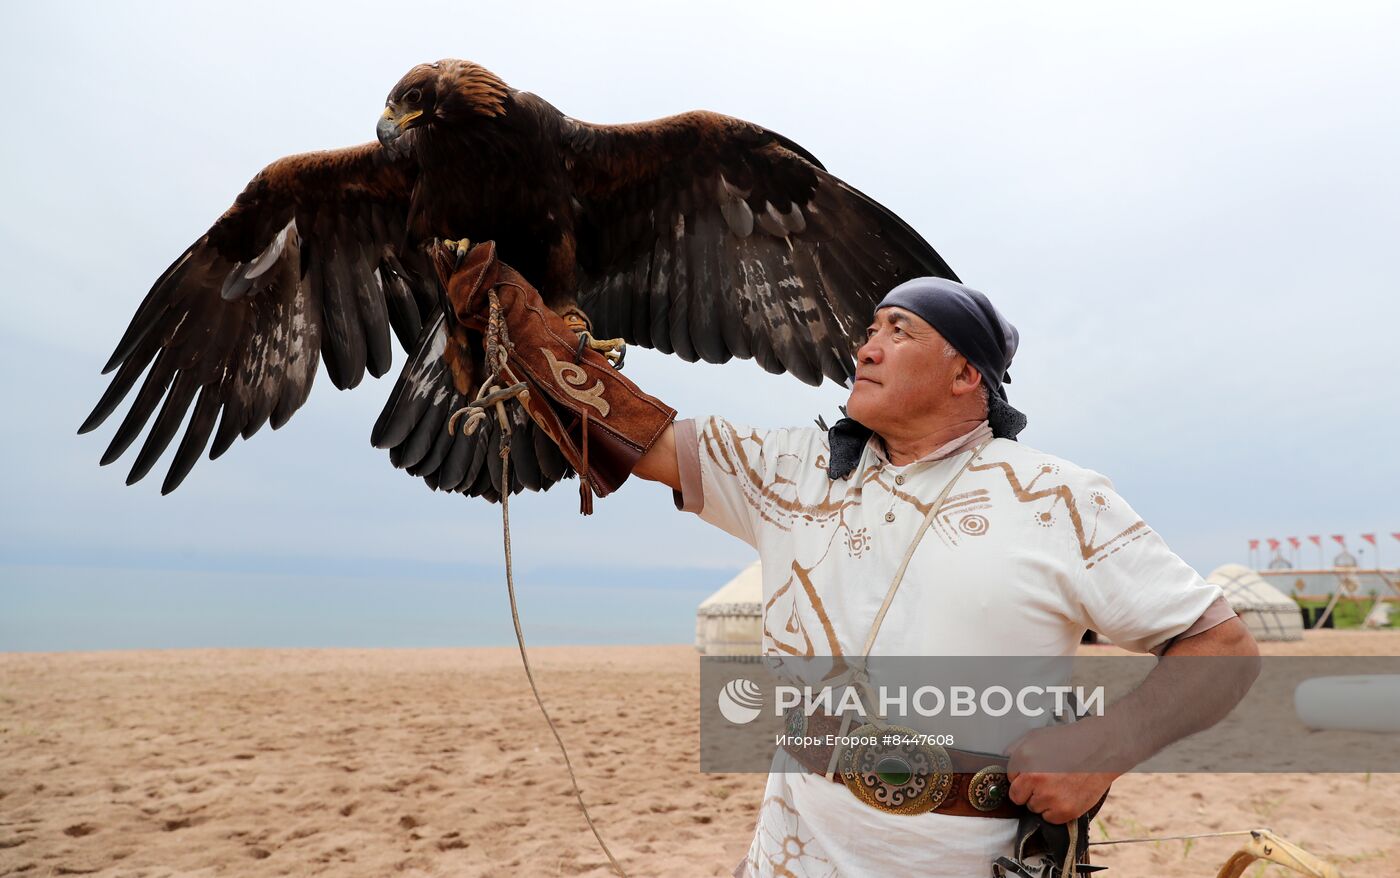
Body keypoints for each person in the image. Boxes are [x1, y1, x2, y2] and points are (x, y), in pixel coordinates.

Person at [433, 241, 1261, 878]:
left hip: (962, 858)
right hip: (790, 853)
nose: (866, 345)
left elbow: (1221, 648)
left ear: (967, 372)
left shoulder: (1059, 498)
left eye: (899, 331)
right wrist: (521, 332)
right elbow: (638, 437)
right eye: (869, 327)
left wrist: (1106, 746)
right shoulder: (786, 469)